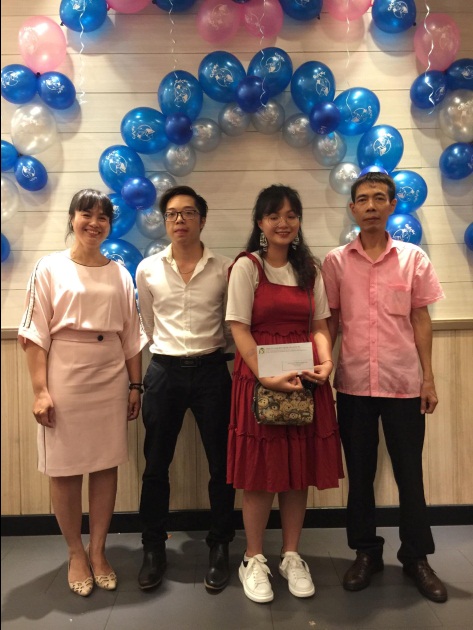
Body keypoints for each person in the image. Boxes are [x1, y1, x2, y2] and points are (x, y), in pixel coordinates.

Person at [322, 171, 448, 603]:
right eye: (363, 199)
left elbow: (420, 319)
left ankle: (416, 557)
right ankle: (366, 553)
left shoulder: (413, 259)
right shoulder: (336, 262)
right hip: (353, 384)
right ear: (352, 208)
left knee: (410, 475)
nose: (371, 206)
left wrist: (428, 378)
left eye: (379, 198)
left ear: (393, 205)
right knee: (359, 475)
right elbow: (331, 321)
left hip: (403, 384)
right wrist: (323, 368)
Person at [18, 189, 147, 597]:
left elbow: (131, 337)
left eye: (102, 217)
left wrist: (135, 385)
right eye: (86, 214)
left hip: (110, 374)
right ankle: (75, 552)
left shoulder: (120, 273)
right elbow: (34, 334)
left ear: (110, 224)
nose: (94, 223)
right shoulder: (49, 267)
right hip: (66, 375)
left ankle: (98, 550)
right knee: (66, 467)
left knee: (105, 464)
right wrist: (41, 391)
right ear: (72, 218)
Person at [226, 184, 344, 604]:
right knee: (261, 472)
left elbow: (320, 324)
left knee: (298, 469)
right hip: (260, 378)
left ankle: (291, 555)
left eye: (291, 215)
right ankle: (253, 558)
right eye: (274, 215)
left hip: (304, 377)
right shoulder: (247, 267)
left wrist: (326, 362)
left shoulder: (310, 269)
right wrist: (265, 377)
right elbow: (239, 328)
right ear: (260, 222)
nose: (283, 222)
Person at [135, 185, 236, 592]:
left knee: (222, 466)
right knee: (155, 465)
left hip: (212, 371)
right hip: (164, 372)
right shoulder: (147, 269)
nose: (179, 220)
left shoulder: (225, 268)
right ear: (165, 222)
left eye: (188, 212)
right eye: (172, 213)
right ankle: (153, 548)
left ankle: (220, 546)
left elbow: (231, 324)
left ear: (202, 220)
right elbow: (147, 322)